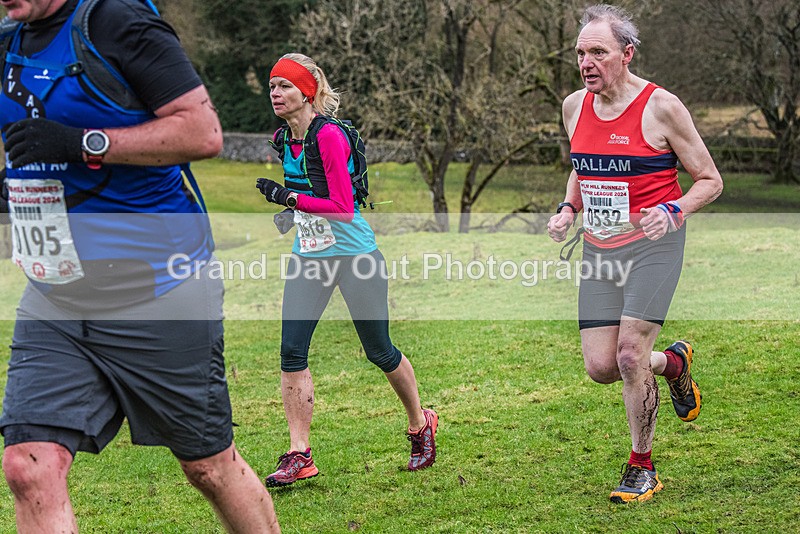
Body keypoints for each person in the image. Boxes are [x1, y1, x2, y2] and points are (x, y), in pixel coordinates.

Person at [0, 0, 280, 531]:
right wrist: (16, 188)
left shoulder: (117, 21)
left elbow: (202, 133)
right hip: (56, 296)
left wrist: (83, 144)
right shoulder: (10, 39)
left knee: (208, 467)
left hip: (160, 290)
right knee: (28, 466)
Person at [547, 4, 723, 504]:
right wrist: (568, 208)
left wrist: (673, 209)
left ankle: (642, 467)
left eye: (598, 52)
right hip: (601, 249)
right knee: (602, 366)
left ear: (626, 54)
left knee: (629, 354)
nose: (586, 63)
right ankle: (674, 364)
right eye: (580, 53)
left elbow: (710, 180)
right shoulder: (573, 106)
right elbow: (583, 165)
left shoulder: (661, 107)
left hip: (654, 247)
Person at [255, 53, 438, 487]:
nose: (275, 93)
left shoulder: (329, 135)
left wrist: (287, 199)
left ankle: (420, 423)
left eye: (284, 86)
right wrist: (293, 213)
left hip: (355, 257)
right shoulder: (285, 139)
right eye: (272, 86)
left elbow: (340, 207)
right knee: (291, 352)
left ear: (307, 92)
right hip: (310, 257)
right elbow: (310, 192)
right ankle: (300, 454)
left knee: (380, 351)